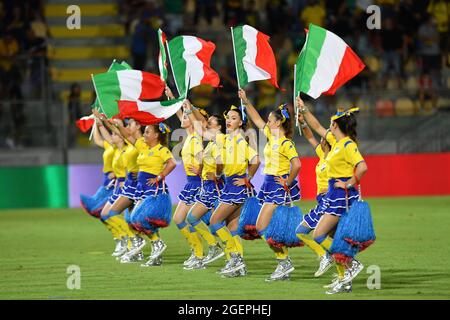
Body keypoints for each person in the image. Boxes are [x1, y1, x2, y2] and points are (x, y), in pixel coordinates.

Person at [297, 96, 368, 295]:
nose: (328, 128)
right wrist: (303, 110)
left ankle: (352, 264)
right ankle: (344, 280)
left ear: (336, 125)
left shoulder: (347, 145)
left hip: (341, 196)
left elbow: (362, 167)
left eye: (331, 124)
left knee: (319, 235)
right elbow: (317, 128)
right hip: (334, 195)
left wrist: (349, 182)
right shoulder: (336, 144)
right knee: (334, 237)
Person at [238, 89, 301, 281]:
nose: (267, 123)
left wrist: (288, 182)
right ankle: (283, 263)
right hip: (268, 184)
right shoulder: (270, 135)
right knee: (265, 227)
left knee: (262, 226)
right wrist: (246, 101)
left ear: (278, 122)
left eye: (270, 120)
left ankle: (284, 262)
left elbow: (297, 164)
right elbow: (256, 119)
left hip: (277, 185)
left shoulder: (285, 143)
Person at [166, 87, 220, 270]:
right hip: (190, 183)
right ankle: (198, 251)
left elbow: (204, 161)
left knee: (187, 218)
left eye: (186, 116)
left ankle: (209, 248)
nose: (183, 118)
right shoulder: (189, 137)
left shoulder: (196, 138)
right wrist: (174, 99)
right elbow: (182, 114)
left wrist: (200, 168)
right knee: (179, 219)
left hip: (197, 183)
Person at [112, 117, 177, 266]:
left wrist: (160, 176)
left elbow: (172, 163)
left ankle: (157, 243)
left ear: (156, 135)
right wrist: (117, 124)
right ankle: (156, 255)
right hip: (141, 189)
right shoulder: (143, 146)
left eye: (147, 132)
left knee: (137, 218)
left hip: (153, 191)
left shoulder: (161, 149)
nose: (145, 134)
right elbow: (127, 135)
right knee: (134, 219)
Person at [209, 102, 261, 278]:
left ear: (240, 122)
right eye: (228, 118)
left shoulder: (239, 140)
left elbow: (256, 160)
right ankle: (238, 265)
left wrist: (247, 178)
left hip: (236, 188)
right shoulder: (227, 139)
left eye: (233, 118)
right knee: (231, 227)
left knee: (215, 221)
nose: (229, 121)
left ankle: (235, 258)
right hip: (229, 185)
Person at [183, 99, 226, 267]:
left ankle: (231, 255)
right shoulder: (212, 141)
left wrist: (217, 173)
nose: (207, 125)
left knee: (221, 225)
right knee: (196, 219)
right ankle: (224, 251)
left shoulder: (221, 138)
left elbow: (221, 161)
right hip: (207, 187)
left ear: (219, 127)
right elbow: (199, 126)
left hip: (215, 187)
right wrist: (189, 108)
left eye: (211, 123)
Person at [295, 112, 334, 278]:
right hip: (321, 202)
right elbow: (310, 137)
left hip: (329, 201)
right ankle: (342, 259)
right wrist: (303, 123)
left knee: (301, 231)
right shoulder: (322, 154)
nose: (321, 138)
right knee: (331, 236)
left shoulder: (333, 157)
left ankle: (327, 257)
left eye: (324, 137)